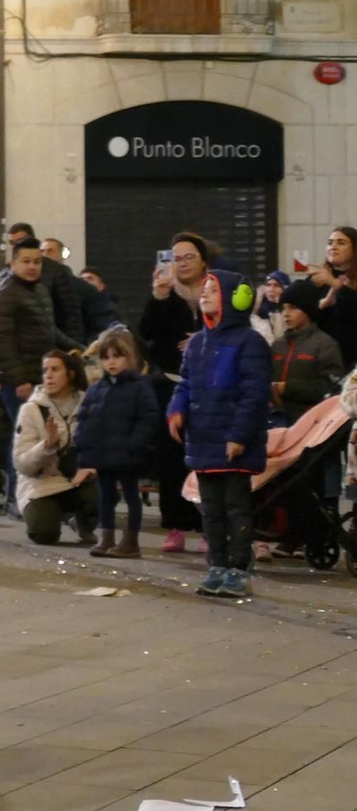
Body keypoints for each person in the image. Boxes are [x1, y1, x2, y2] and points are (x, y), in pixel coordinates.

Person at [168, 271, 272, 598]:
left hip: (234, 445)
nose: (205, 294)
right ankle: (217, 565)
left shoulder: (250, 341)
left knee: (236, 508)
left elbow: (254, 394)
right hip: (203, 440)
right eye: (204, 289)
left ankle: (239, 568)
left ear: (236, 298)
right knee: (210, 509)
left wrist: (239, 435)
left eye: (214, 290)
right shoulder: (197, 343)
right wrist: (176, 409)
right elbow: (185, 384)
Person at [141, 232, 212, 553]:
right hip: (170, 384)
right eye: (176, 258)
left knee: (208, 458)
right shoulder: (165, 293)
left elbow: (236, 328)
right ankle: (175, 525)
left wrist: (202, 340)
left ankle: (208, 526)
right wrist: (157, 297)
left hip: (210, 387)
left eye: (189, 257)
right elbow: (145, 334)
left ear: (203, 261)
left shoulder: (216, 292)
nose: (182, 264)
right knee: (170, 458)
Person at [74, 328, 159, 558]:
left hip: (127, 453)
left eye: (117, 356)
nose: (111, 362)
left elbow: (148, 417)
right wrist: (82, 442)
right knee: (106, 496)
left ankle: (131, 541)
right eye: (106, 357)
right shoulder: (96, 389)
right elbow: (85, 417)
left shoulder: (139, 387)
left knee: (131, 495)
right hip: (103, 454)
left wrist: (135, 443)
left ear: (129, 357)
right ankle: (107, 537)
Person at [0, 238, 79, 441]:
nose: (32, 266)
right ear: (13, 264)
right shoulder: (5, 294)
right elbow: (1, 341)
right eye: (26, 261)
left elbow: (49, 330)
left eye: (37, 262)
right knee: (24, 440)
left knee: (36, 439)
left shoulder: (39, 289)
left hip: (39, 376)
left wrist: (80, 348)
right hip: (18, 382)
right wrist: (20, 380)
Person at [14, 350, 98, 547]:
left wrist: (93, 467)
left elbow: (99, 447)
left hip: (76, 480)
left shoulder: (88, 405)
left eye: (55, 369)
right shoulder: (31, 410)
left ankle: (82, 522)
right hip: (42, 485)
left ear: (70, 374)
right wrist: (46, 447)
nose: (48, 375)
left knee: (102, 493)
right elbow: (21, 464)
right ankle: (50, 516)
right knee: (44, 534)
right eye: (45, 370)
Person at [269, 293, 344, 422]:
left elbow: (331, 387)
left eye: (292, 307)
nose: (285, 314)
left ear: (307, 309)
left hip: (311, 424)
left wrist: (287, 388)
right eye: (283, 308)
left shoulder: (325, 344)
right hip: (277, 421)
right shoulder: (278, 344)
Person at [289, 227, 357, 364]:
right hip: (321, 356)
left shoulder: (332, 279)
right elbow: (303, 310)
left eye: (341, 243)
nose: (333, 247)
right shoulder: (318, 278)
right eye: (330, 242)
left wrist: (334, 283)